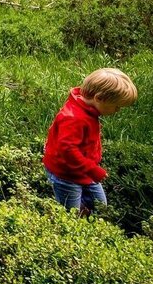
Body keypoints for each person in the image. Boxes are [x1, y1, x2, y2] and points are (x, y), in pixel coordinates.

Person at [43, 67, 137, 216]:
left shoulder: (88, 110)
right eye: (116, 106)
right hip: (67, 174)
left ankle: (86, 215)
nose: (117, 110)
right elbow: (68, 150)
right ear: (98, 98)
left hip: (84, 170)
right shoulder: (73, 118)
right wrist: (92, 169)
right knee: (71, 213)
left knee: (100, 206)